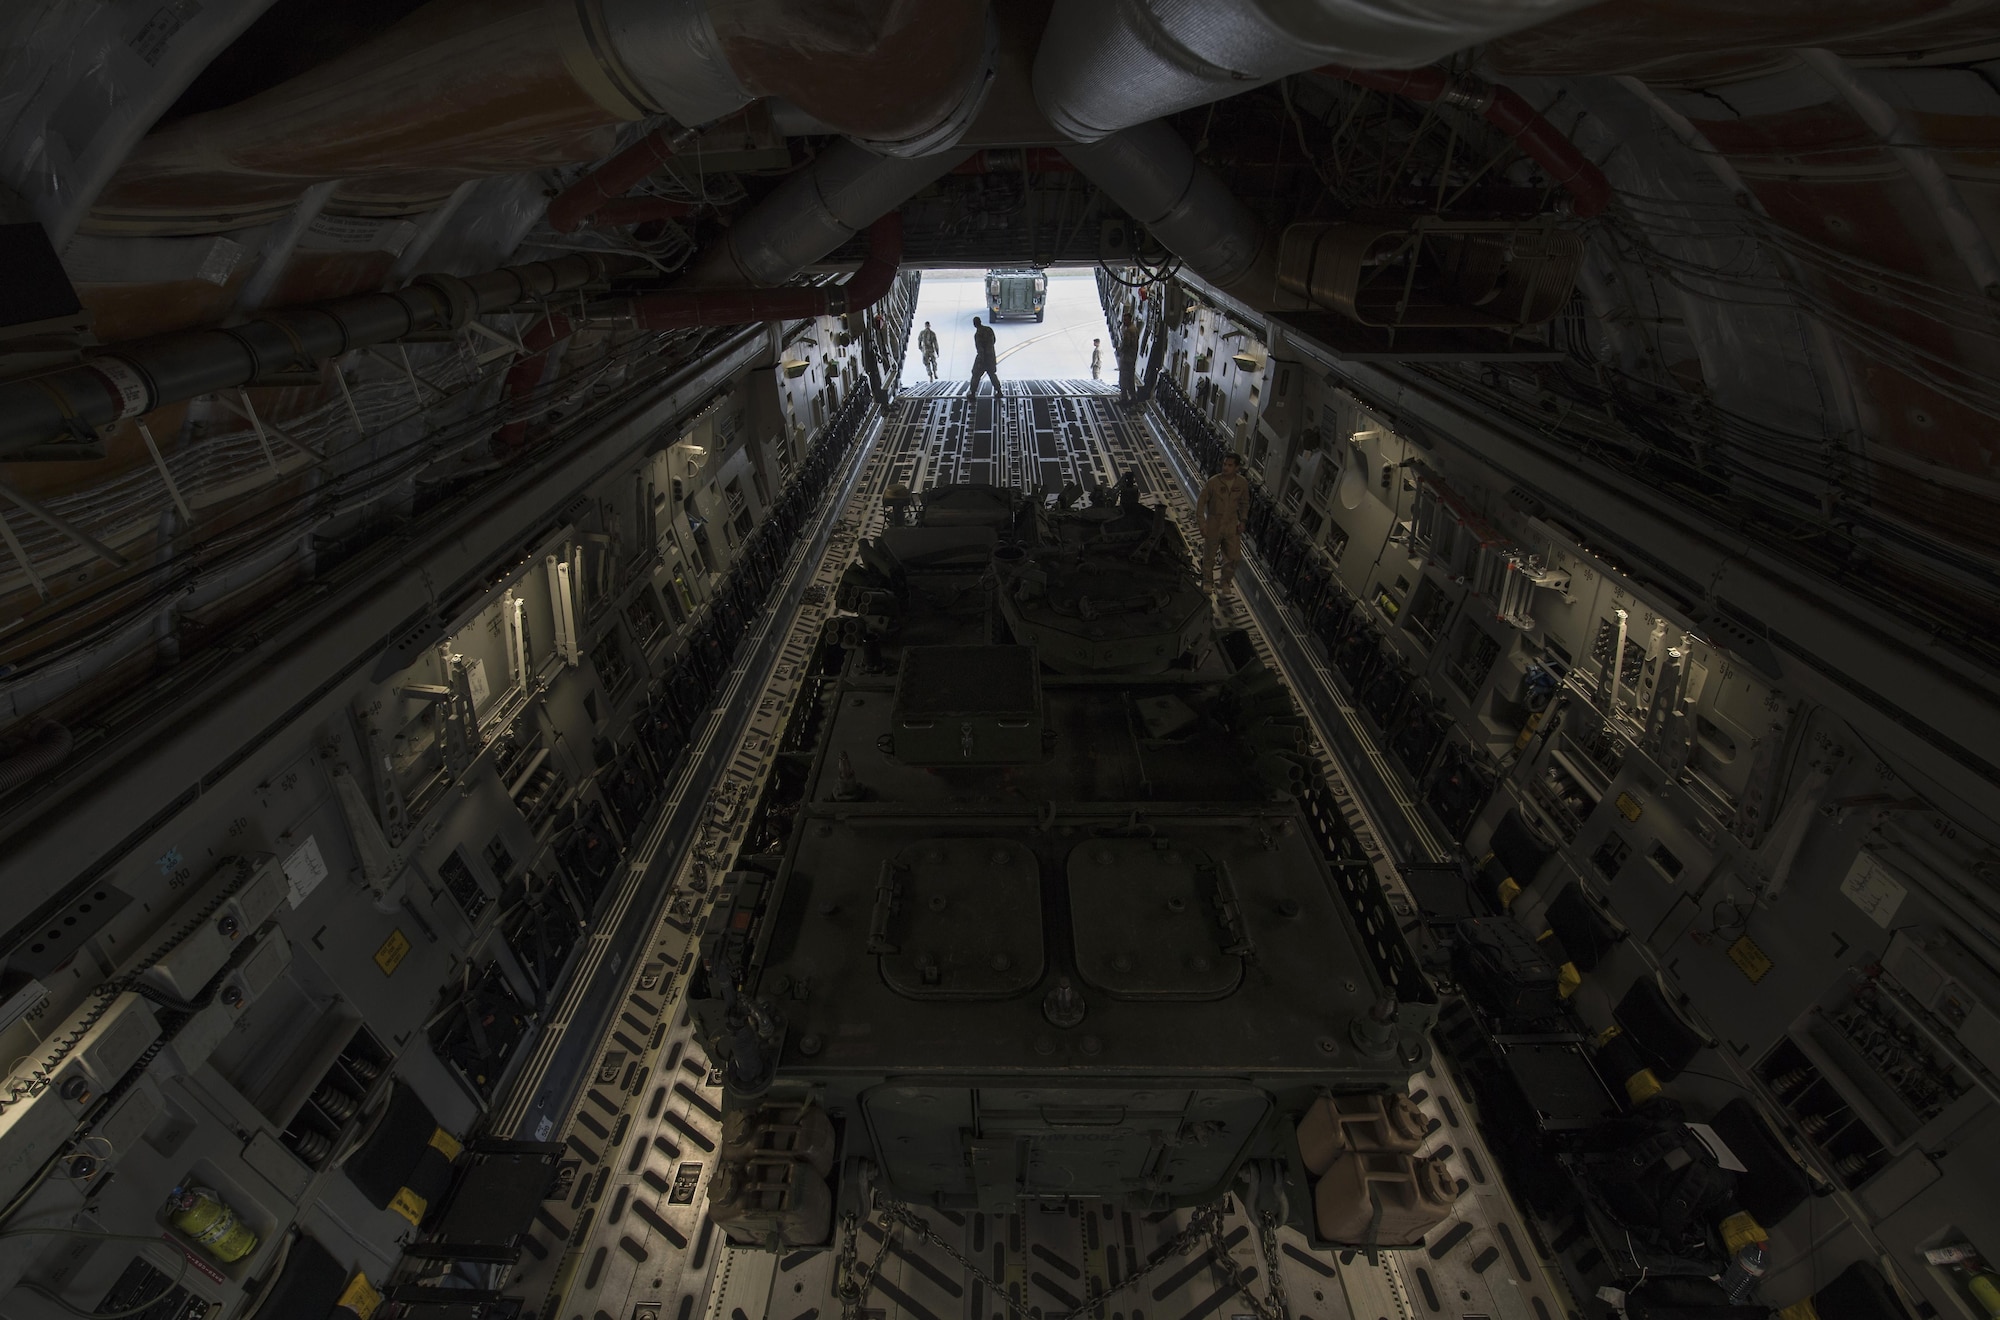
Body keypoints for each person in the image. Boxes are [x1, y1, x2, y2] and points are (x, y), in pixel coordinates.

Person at [1196, 452, 1250, 595]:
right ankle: (1208, 582)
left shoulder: (1241, 483)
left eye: (1230, 465)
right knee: (1209, 557)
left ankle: (1225, 582)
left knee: (1233, 558)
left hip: (1231, 524)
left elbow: (1245, 503)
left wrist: (1243, 520)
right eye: (1224, 464)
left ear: (1237, 467)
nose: (1225, 468)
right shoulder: (1213, 482)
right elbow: (1200, 504)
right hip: (1214, 523)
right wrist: (1202, 524)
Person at [969, 315, 1001, 397]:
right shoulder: (989, 329)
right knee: (992, 374)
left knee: (975, 374)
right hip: (991, 356)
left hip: (983, 358)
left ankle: (972, 393)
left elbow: (980, 349)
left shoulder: (978, 334)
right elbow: (994, 340)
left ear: (974, 324)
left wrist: (980, 360)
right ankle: (999, 391)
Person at [1116, 314, 1139, 404]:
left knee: (1123, 379)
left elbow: (1125, 345)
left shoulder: (1128, 331)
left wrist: (1119, 350)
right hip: (1132, 358)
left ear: (1130, 320)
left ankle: (1124, 398)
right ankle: (1133, 397)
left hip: (1126, 359)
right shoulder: (1135, 329)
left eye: (1125, 320)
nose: (1124, 322)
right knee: (1130, 379)